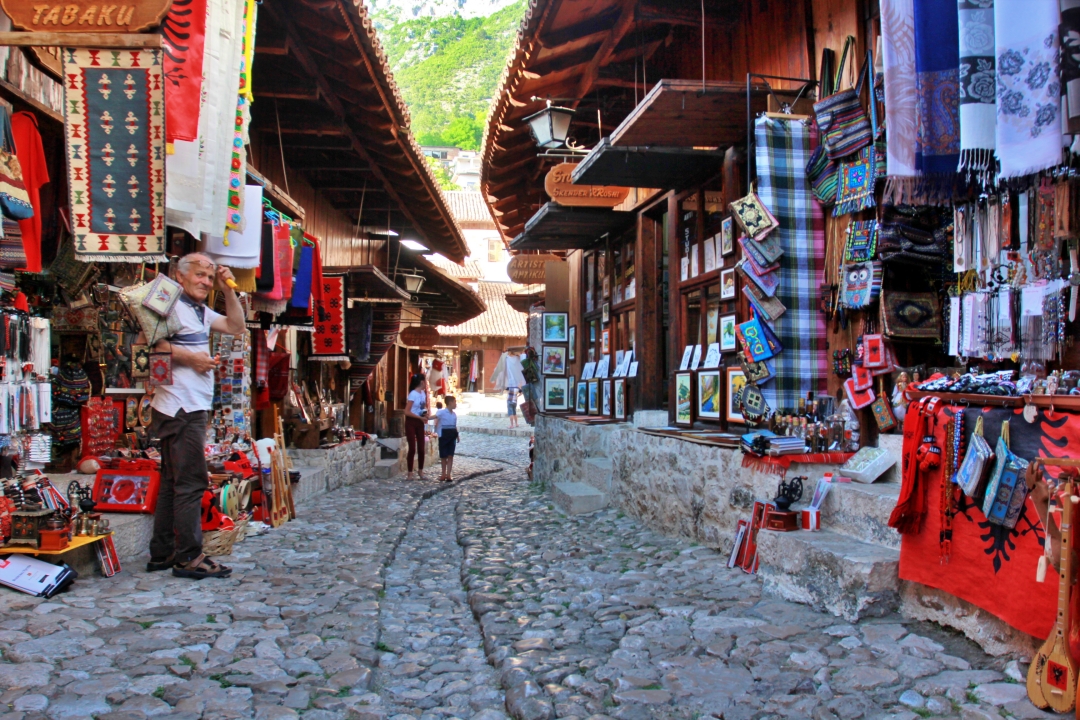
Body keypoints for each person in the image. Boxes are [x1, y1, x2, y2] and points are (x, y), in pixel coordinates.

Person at [146, 253, 245, 579]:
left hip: (187, 405)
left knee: (173, 483)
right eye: (199, 275)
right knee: (190, 483)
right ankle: (189, 556)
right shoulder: (168, 304)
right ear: (179, 274)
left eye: (208, 276)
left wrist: (228, 288)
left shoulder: (197, 310)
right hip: (181, 406)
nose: (204, 281)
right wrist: (194, 360)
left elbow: (236, 326)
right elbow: (153, 342)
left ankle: (162, 553)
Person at [404, 374, 430, 480]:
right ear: (422, 382)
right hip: (411, 421)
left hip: (420, 421)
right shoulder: (413, 394)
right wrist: (419, 418)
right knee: (412, 448)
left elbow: (422, 407)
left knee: (421, 447)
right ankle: (410, 472)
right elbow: (406, 411)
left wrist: (425, 414)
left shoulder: (423, 393)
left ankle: (420, 470)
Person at [434, 395, 459, 482]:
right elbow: (435, 417)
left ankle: (449, 474)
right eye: (455, 402)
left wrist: (457, 435)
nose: (456, 404)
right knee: (444, 456)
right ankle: (443, 473)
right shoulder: (442, 412)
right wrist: (425, 417)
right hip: (444, 435)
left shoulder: (454, 415)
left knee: (450, 455)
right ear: (450, 403)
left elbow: (454, 426)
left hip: (452, 435)